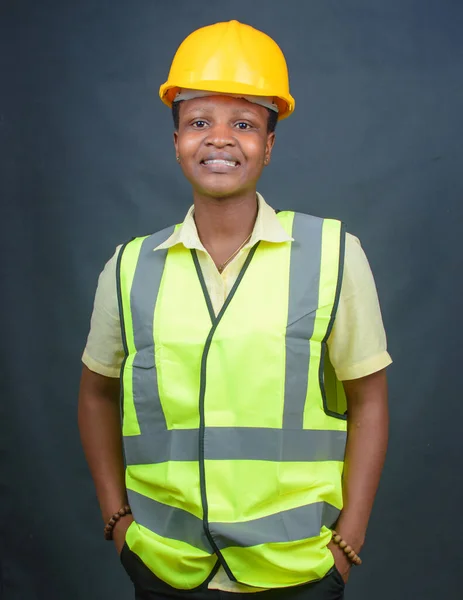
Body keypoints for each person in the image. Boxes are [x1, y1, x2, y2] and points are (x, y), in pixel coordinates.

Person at [78, 20, 391, 600]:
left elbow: (370, 399)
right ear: (175, 142)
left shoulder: (333, 256)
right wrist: (117, 523)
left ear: (268, 145)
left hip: (297, 572)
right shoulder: (128, 267)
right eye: (199, 122)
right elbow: (96, 393)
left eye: (244, 124)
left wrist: (345, 545)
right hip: (165, 568)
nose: (219, 139)